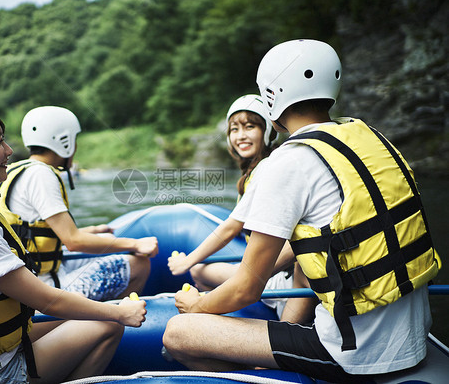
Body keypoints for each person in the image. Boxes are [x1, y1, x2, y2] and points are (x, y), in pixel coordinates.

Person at [163, 39, 441, 382]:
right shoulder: (371, 136)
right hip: (414, 340)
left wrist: (196, 307)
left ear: (272, 97)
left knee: (178, 332)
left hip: (354, 353)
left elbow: (246, 288)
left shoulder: (290, 160)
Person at [0, 98, 147, 383]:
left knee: (86, 318)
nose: (9, 151)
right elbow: (49, 301)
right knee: (107, 325)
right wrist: (120, 312)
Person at [0, 106, 157, 301]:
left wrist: (90, 230)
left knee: (106, 249)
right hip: (44, 288)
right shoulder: (41, 174)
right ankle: (123, 322)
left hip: (29, 280)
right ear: (64, 142)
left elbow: (31, 232)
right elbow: (73, 242)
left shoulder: (16, 170)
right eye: (74, 140)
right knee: (139, 264)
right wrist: (137, 244)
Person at [167, 94, 307, 321]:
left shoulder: (267, 168)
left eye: (250, 127)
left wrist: (188, 260)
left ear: (268, 131)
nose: (241, 135)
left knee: (197, 271)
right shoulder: (256, 171)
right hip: (272, 270)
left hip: (278, 276)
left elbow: (232, 227)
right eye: (234, 129)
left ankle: (228, 312)